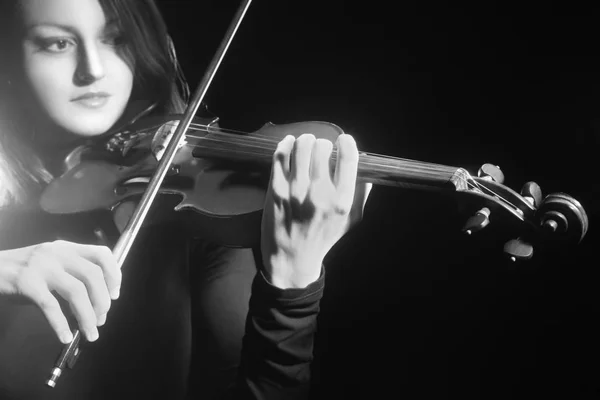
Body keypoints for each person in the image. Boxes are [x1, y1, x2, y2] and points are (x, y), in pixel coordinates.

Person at [0, 0, 371, 399]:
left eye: (115, 38)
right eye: (57, 43)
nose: (93, 68)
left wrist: (293, 285)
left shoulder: (195, 224)